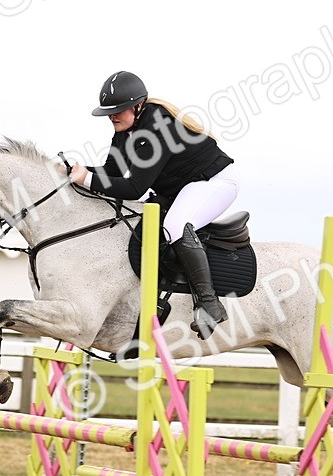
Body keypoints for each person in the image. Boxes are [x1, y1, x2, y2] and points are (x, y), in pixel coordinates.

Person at [68, 71, 238, 338]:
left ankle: (210, 303)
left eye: (119, 111)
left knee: (174, 225)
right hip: (182, 188)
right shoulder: (125, 130)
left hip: (214, 183)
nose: (112, 117)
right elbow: (112, 170)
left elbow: (134, 188)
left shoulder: (155, 129)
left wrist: (86, 179)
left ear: (138, 106)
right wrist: (73, 172)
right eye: (109, 112)